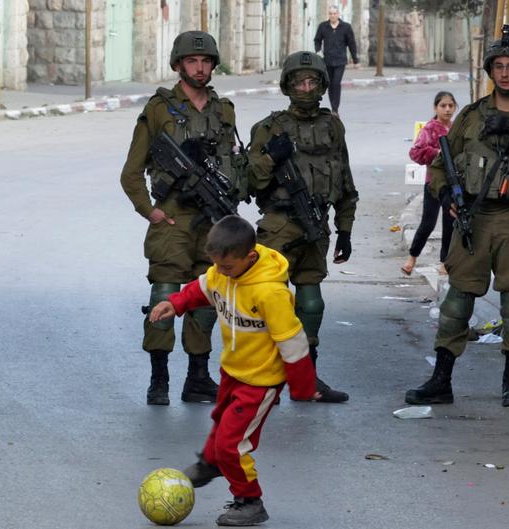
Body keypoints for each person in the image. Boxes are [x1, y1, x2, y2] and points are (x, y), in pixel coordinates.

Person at [404, 26, 509, 408]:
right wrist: (445, 195)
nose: (505, 73)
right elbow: (442, 163)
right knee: (458, 300)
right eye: (499, 66)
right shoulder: (471, 117)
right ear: (490, 71)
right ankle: (441, 379)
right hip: (473, 217)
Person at [149, 215, 319, 526]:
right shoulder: (220, 274)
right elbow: (202, 288)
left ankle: (249, 501)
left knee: (233, 444)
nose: (221, 273)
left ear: (250, 257)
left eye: (227, 267)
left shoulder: (270, 293)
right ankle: (211, 463)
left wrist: (303, 388)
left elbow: (293, 342)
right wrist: (175, 303)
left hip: (261, 381)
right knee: (220, 423)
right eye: (217, 266)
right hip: (233, 371)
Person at [120, 30, 244, 406]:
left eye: (206, 61)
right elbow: (131, 172)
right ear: (178, 65)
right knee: (165, 296)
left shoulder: (224, 111)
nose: (200, 67)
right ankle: (159, 381)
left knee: (206, 298)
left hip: (213, 223)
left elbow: (234, 162)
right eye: (192, 61)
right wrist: (152, 212)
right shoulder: (159, 109)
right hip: (172, 220)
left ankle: (197, 378)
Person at [246, 51, 358, 404]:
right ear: (287, 86)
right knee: (267, 303)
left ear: (323, 86)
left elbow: (345, 180)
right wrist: (269, 158)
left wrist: (345, 230)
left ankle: (306, 379)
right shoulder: (269, 127)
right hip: (278, 225)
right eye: (299, 83)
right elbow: (248, 181)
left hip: (316, 225)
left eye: (312, 82)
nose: (306, 89)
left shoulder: (332, 126)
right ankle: (263, 379)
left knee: (311, 303)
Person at [401, 91, 458, 277]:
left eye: (451, 105)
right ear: (436, 108)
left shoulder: (456, 129)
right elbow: (415, 152)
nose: (447, 109)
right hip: (433, 183)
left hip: (453, 184)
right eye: (443, 106)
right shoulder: (430, 128)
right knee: (428, 223)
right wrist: (438, 153)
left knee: (450, 222)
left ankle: (445, 263)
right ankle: (411, 258)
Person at [313, 5, 359, 115]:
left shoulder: (346, 27)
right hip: (327, 60)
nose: (332, 16)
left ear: (338, 14)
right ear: (328, 15)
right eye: (330, 14)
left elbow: (351, 43)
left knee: (336, 83)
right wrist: (318, 50)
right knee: (330, 84)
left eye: (334, 13)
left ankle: (335, 109)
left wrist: (355, 59)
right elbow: (317, 40)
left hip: (340, 60)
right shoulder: (323, 27)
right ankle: (333, 105)